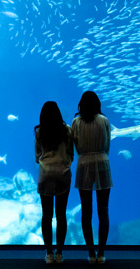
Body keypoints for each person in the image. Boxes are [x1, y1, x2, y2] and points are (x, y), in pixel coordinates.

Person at [72, 91, 113, 265]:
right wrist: (101, 156)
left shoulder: (76, 122)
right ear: (97, 104)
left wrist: (84, 156)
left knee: (86, 212)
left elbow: (75, 145)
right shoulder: (104, 120)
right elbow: (107, 144)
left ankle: (90, 253)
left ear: (81, 104)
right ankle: (101, 253)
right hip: (103, 162)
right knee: (103, 211)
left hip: (84, 164)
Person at [35, 101, 74, 264]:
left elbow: (37, 156)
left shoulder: (39, 132)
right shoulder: (67, 130)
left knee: (46, 215)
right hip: (62, 174)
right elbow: (71, 153)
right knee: (61, 215)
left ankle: (49, 254)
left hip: (45, 174)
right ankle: (59, 253)